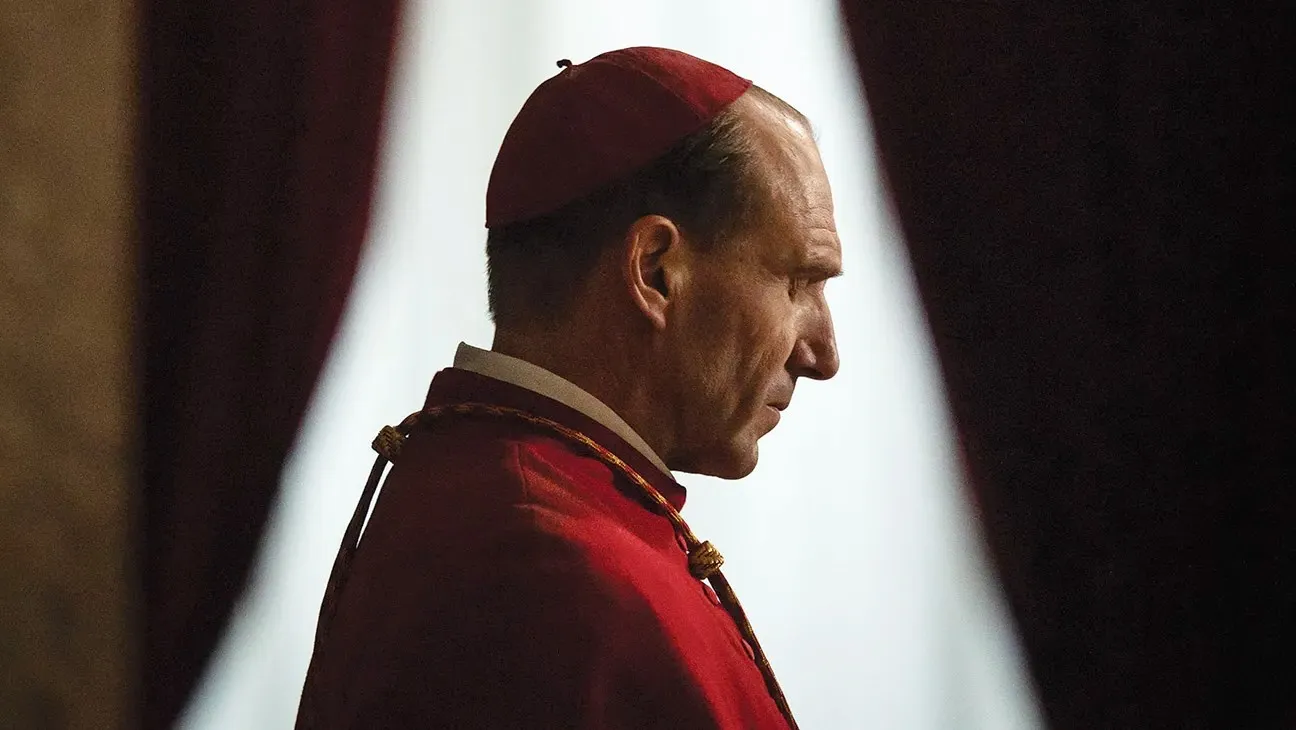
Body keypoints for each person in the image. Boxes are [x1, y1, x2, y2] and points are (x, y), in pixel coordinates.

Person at [296, 46, 841, 729]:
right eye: (798, 282)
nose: (823, 355)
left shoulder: (488, 487)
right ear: (656, 271)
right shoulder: (552, 574)